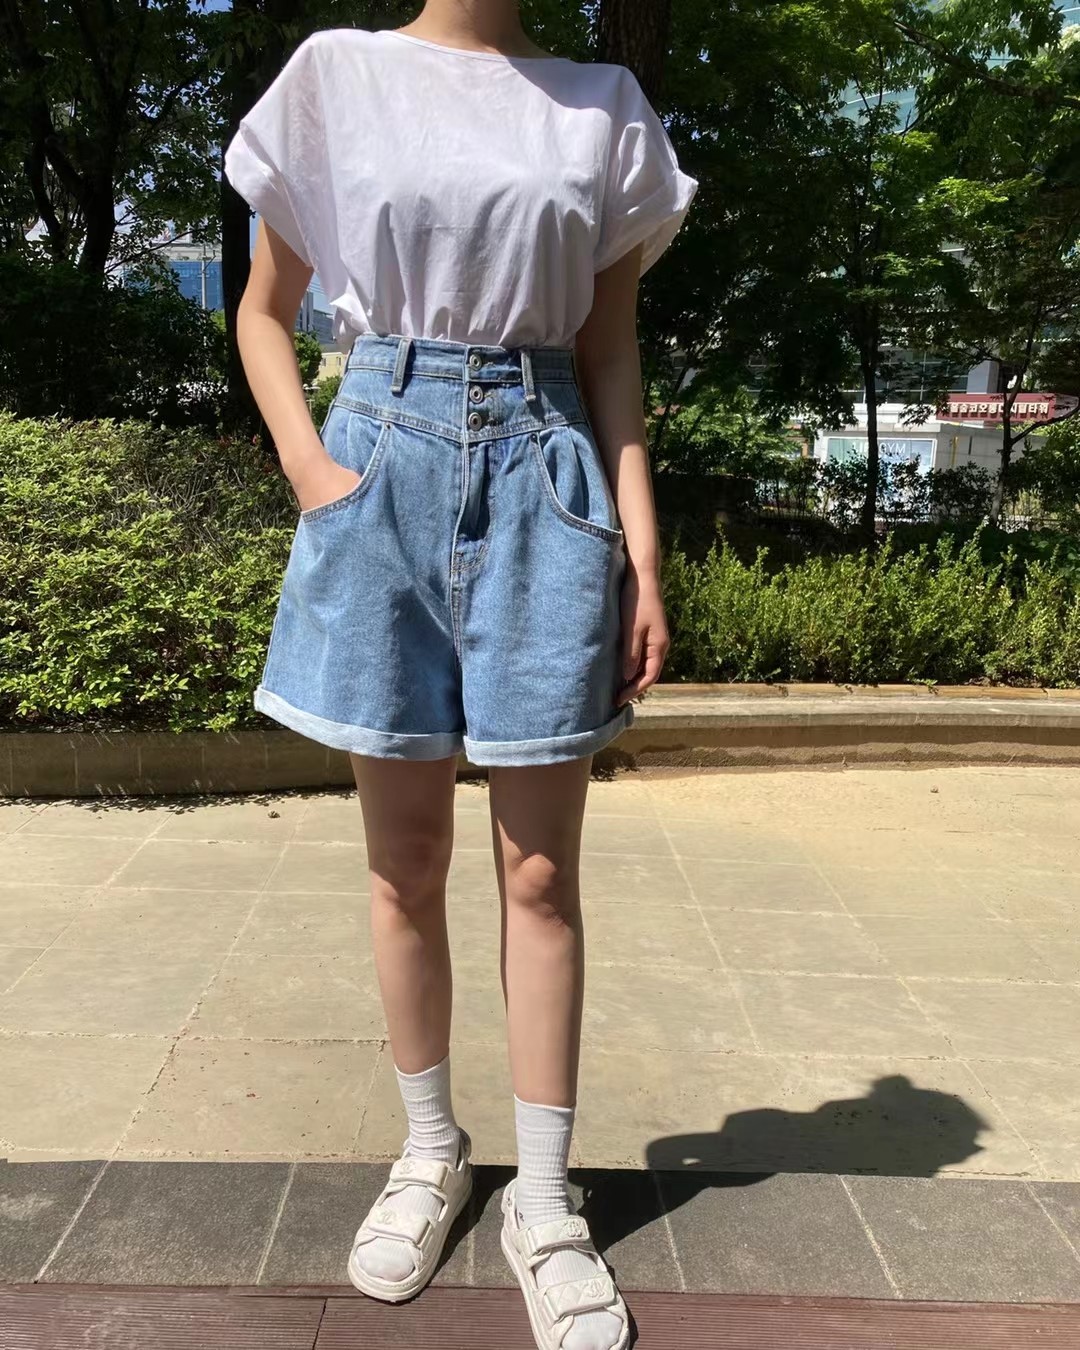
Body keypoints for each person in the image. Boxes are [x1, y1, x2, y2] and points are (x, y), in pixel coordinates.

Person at [223, 4, 696, 1347]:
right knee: (406, 863)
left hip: (548, 476)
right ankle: (431, 1151)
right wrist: (317, 475)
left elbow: (610, 350)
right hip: (380, 462)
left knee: (541, 873)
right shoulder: (337, 74)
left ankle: (543, 1199)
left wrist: (642, 550)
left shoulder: (601, 104)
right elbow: (262, 312)